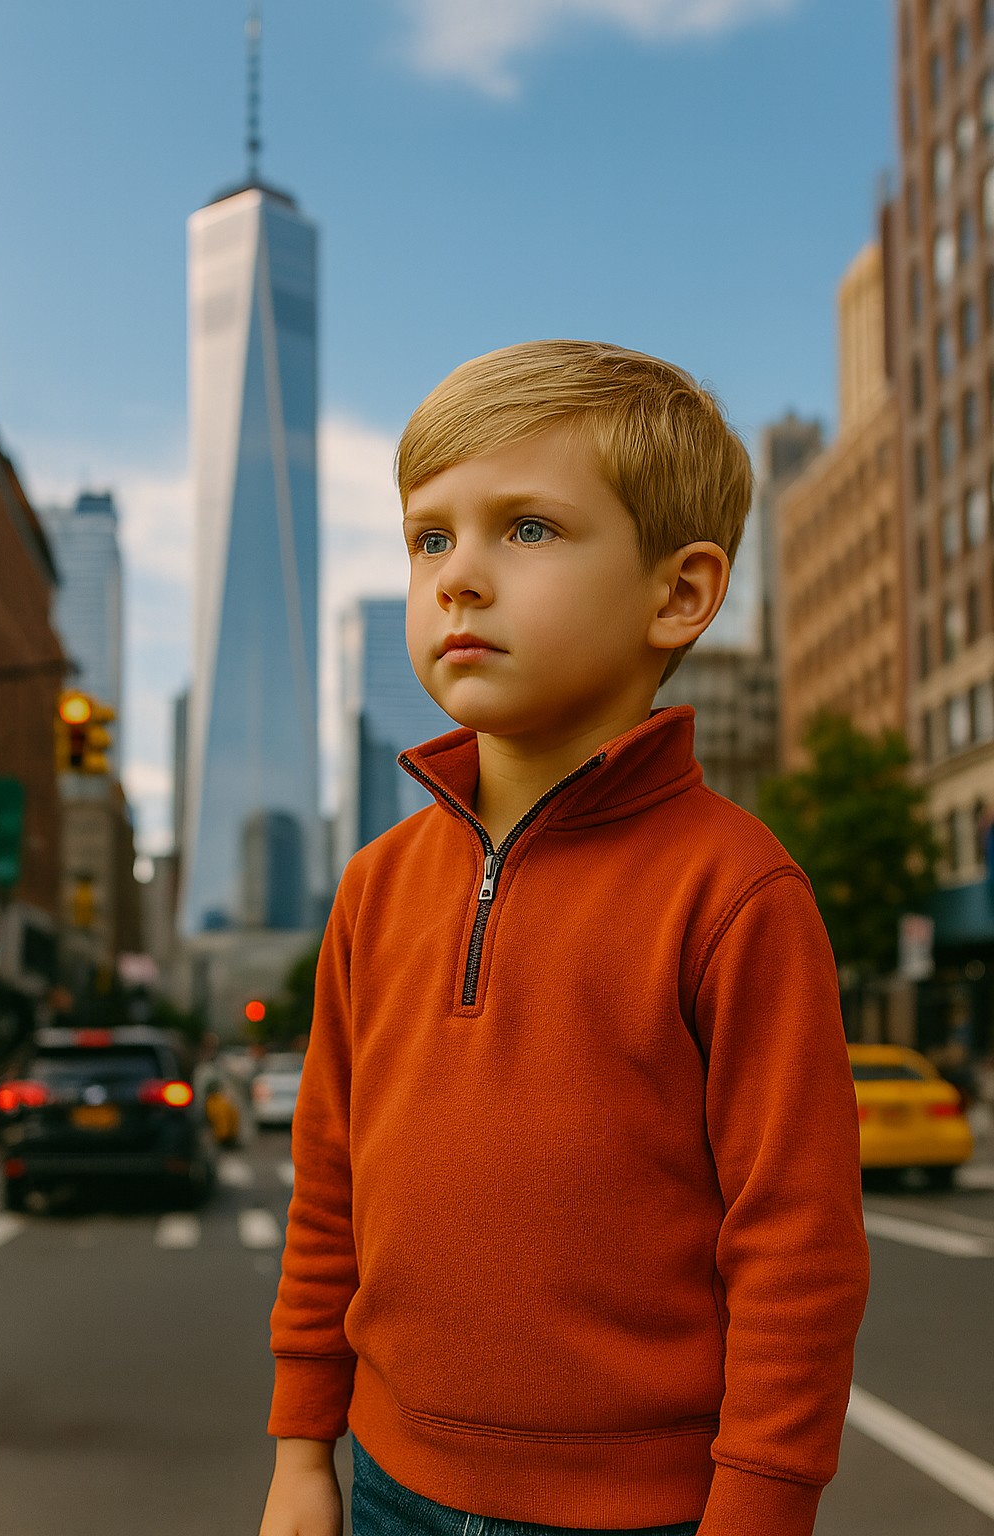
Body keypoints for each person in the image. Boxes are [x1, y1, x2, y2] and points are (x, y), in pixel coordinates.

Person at [258, 341, 870, 1536]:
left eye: (525, 530)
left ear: (678, 594)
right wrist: (299, 1454)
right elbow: (326, 1187)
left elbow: (798, 1248)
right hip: (385, 1483)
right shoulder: (375, 888)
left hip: (641, 1513)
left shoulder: (737, 890)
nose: (456, 579)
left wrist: (760, 1510)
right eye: (429, 537)